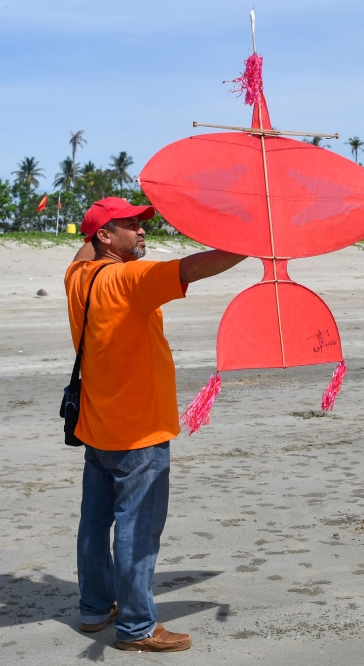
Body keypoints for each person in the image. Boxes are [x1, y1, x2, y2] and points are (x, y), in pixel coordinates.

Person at [65, 197, 245, 652]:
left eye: (142, 224)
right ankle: (138, 627)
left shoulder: (76, 278)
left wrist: (99, 231)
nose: (143, 231)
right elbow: (191, 268)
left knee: (94, 523)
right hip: (139, 432)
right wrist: (251, 243)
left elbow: (81, 251)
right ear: (105, 236)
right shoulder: (130, 279)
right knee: (137, 530)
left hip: (97, 425)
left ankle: (93, 608)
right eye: (130, 225)